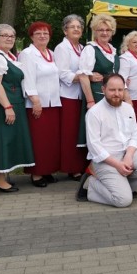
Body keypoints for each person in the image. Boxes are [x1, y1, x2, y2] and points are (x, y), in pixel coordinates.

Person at [76, 74, 137, 207]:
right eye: (112, 90)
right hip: (105, 160)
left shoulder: (128, 108)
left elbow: (135, 134)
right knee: (123, 201)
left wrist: (129, 156)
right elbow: (94, 146)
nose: (117, 94)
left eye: (120, 90)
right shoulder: (94, 113)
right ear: (103, 89)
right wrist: (117, 165)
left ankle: (125, 189)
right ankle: (91, 186)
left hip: (125, 154)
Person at [0, 24, 35, 193]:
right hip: (2, 105)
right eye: (4, 35)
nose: (9, 38)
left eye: (12, 36)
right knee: (2, 140)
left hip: (14, 103)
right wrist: (7, 106)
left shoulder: (8, 56)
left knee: (9, 140)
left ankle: (2, 174)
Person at [18, 21, 61, 187]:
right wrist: (35, 100)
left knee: (50, 140)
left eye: (46, 33)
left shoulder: (51, 53)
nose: (43, 36)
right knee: (38, 140)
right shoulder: (28, 54)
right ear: (31, 36)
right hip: (37, 104)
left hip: (53, 103)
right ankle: (36, 174)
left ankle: (47, 170)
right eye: (38, 33)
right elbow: (27, 79)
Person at [54, 14, 89, 181]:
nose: (76, 29)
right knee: (70, 133)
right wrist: (84, 77)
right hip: (68, 96)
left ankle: (81, 165)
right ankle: (71, 167)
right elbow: (63, 73)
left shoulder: (83, 48)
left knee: (80, 131)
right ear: (65, 30)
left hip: (81, 95)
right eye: (72, 27)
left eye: (79, 27)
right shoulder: (62, 48)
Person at [78, 14, 118, 146]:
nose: (105, 33)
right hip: (97, 96)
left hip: (112, 97)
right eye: (101, 30)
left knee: (110, 132)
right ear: (95, 31)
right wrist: (90, 101)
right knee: (97, 132)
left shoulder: (113, 50)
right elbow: (83, 76)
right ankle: (94, 165)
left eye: (108, 30)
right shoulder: (90, 49)